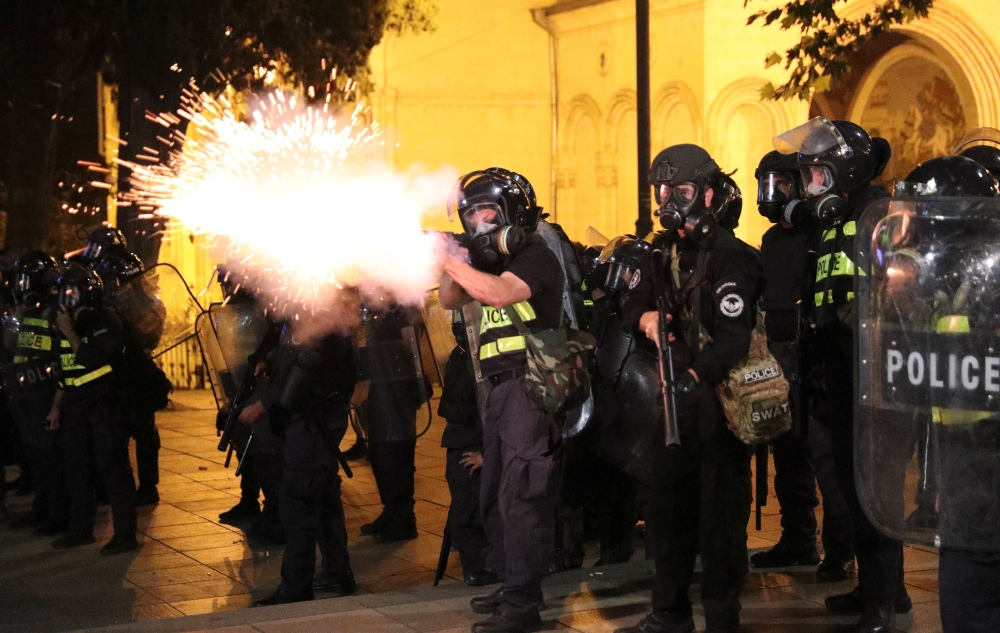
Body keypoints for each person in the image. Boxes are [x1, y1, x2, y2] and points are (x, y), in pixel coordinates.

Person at [614, 144, 760, 633]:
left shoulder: (730, 256)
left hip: (717, 410)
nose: (669, 199)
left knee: (720, 528)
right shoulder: (662, 251)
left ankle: (722, 620)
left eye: (682, 190)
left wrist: (694, 376)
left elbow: (734, 339)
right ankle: (669, 612)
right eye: (663, 190)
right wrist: (647, 318)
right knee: (667, 517)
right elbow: (631, 304)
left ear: (709, 194)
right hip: (673, 408)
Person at [776, 117, 908, 633]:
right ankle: (880, 590)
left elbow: (904, 284)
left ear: (844, 171)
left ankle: (882, 601)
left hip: (875, 373)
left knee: (877, 490)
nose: (809, 187)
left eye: (815, 175)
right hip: (834, 367)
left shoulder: (883, 214)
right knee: (849, 488)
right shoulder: (830, 222)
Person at [439, 168, 564, 633]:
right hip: (499, 390)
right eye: (469, 216)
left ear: (511, 210)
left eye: (485, 211)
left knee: (521, 496)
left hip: (529, 385)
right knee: (493, 492)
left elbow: (501, 294)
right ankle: (511, 582)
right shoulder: (486, 262)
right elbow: (449, 300)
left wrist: (454, 260)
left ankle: (522, 606)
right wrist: (454, 255)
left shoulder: (534, 254)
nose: (477, 222)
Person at [887, 155, 1000, 633]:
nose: (909, 231)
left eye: (917, 216)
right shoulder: (954, 282)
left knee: (971, 606)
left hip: (988, 467)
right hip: (964, 469)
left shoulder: (988, 282)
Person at [749, 151, 856, 581]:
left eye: (781, 184)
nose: (773, 195)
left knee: (824, 459)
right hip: (776, 355)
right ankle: (798, 537)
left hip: (810, 355)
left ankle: (839, 552)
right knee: (787, 453)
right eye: (766, 185)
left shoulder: (821, 232)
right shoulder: (772, 240)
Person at [247, 320, 358, 606]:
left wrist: (265, 404)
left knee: (299, 498)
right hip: (315, 418)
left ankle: (296, 584)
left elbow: (305, 368)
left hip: (313, 418)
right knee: (323, 494)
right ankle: (336, 570)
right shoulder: (311, 309)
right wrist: (265, 357)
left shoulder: (320, 314)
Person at [49, 263, 138, 555]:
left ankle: (125, 535)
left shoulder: (106, 320)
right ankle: (80, 529)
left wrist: (71, 332)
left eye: (71, 291)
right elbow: (65, 370)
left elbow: (90, 358)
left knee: (113, 469)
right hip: (76, 407)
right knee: (76, 469)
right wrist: (56, 408)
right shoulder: (66, 323)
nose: (65, 298)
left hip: (106, 404)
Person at [3, 252, 67, 534]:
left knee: (51, 461)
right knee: (35, 459)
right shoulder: (25, 312)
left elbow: (59, 361)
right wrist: (15, 322)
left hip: (44, 394)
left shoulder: (54, 312)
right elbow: (12, 347)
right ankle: (41, 511)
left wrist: (56, 405)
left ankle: (57, 516)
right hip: (25, 394)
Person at [94, 251, 163, 507]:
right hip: (117, 375)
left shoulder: (147, 305)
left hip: (137, 375)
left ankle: (146, 488)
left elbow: (150, 337)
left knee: (142, 435)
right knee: (118, 435)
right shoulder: (108, 305)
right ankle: (120, 487)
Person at [438, 313, 497, 586]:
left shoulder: (488, 357)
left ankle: (485, 568)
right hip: (463, 441)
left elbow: (498, 410)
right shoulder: (461, 354)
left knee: (471, 516)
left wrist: (489, 453)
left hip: (475, 444)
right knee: (466, 515)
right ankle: (478, 567)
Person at [359, 304, 425, 544]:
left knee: (394, 453)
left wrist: (414, 379)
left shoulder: (401, 305)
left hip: (396, 387)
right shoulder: (377, 307)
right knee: (378, 453)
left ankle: (403, 517)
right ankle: (391, 511)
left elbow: (411, 345)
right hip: (380, 383)